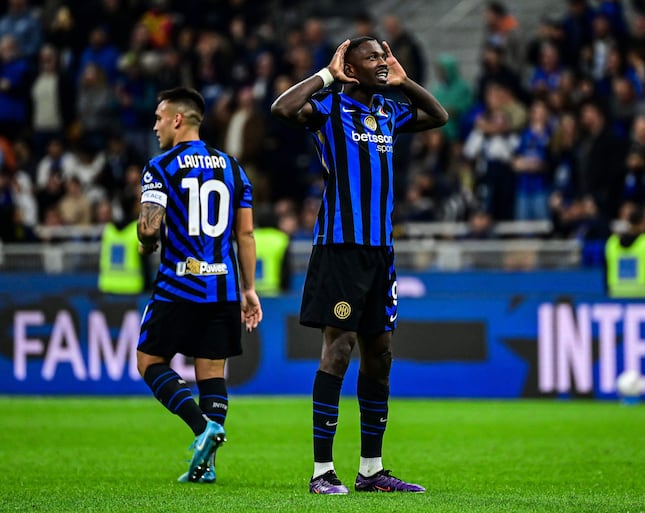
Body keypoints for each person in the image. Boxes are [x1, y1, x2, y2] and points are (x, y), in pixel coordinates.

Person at [271, 37, 447, 495]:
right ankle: (321, 472)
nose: (383, 63)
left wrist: (406, 81)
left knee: (380, 354)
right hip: (341, 247)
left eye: (385, 56)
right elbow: (282, 109)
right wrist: (327, 75)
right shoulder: (329, 108)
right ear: (350, 67)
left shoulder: (390, 111)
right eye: (373, 58)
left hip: (380, 251)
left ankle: (371, 470)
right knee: (339, 346)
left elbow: (438, 116)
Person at [135, 87, 262, 484]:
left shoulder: (160, 166)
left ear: (177, 119)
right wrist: (249, 289)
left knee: (149, 362)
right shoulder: (232, 167)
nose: (155, 126)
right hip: (223, 288)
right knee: (211, 372)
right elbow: (246, 235)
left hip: (178, 285)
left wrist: (147, 242)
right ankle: (207, 465)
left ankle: (200, 428)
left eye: (159, 117)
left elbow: (149, 227)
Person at [604, 207, 645, 297]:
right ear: (642, 223)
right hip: (643, 299)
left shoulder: (612, 243)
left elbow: (606, 273)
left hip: (616, 296)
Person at [253, 209, 291, 297]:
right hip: (274, 291)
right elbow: (285, 267)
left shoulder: (251, 237)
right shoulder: (281, 238)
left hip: (252, 290)